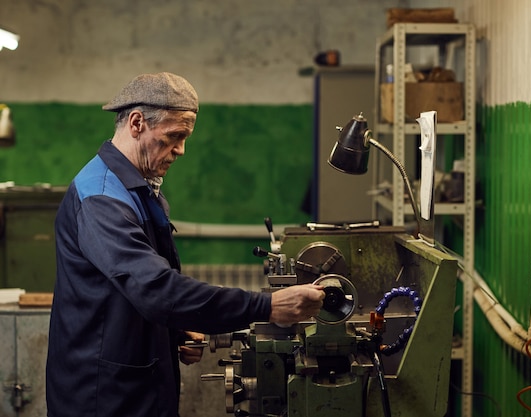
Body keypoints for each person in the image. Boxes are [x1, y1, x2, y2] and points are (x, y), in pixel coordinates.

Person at [45, 72, 325, 417]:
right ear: (137, 123)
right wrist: (266, 307)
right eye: (174, 136)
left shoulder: (135, 187)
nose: (181, 150)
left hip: (135, 383)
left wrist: (173, 329)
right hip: (103, 396)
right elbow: (155, 288)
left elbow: (128, 287)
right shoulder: (102, 198)